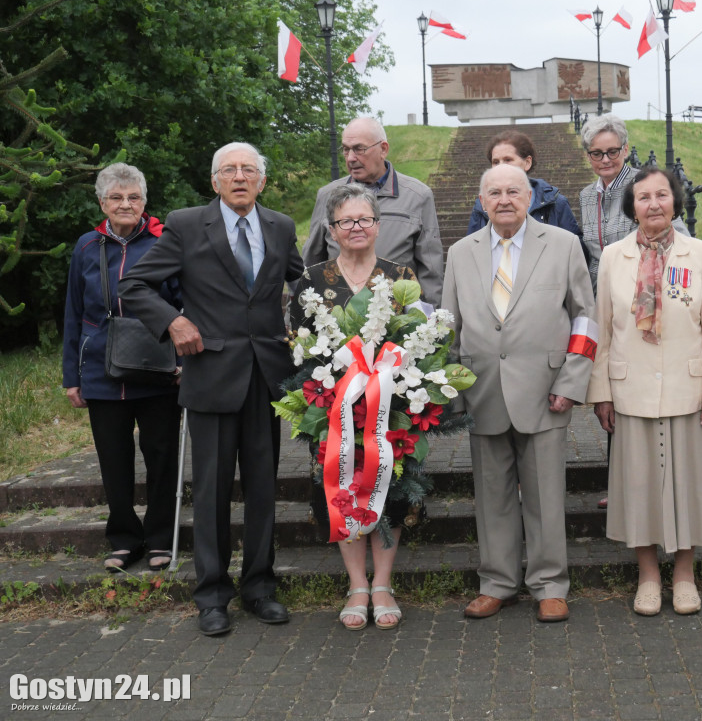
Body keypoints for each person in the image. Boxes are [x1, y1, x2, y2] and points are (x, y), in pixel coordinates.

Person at [119, 142, 304, 636]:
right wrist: (173, 322)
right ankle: (212, 595)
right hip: (209, 375)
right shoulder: (184, 224)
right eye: (229, 170)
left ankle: (260, 587)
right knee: (211, 491)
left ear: (262, 180)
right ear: (214, 181)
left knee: (263, 489)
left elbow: (307, 287)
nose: (239, 177)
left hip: (267, 376)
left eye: (248, 170)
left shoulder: (282, 227)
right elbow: (133, 285)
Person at [442, 163, 596, 623]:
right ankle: (497, 583)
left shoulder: (564, 245)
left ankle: (550, 585)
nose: (505, 199)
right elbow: (447, 325)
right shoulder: (460, 252)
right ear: (482, 201)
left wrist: (571, 382)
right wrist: (453, 390)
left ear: (530, 197)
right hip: (482, 388)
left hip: (547, 389)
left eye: (514, 191)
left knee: (547, 495)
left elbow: (585, 319)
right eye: (495, 192)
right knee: (492, 495)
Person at [586, 166, 702, 616]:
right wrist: (601, 392)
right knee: (639, 484)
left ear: (675, 201)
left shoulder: (699, 253)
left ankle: (684, 575)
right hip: (631, 389)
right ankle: (648, 576)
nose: (653, 204)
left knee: (690, 483)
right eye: (643, 197)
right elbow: (602, 328)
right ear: (631, 207)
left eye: (662, 195)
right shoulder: (613, 256)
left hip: (689, 386)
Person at [291, 183, 416, 630]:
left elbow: (419, 345)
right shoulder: (312, 280)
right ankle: (356, 584)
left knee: (391, 490)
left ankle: (382, 582)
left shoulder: (400, 276)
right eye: (347, 221)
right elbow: (299, 348)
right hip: (333, 412)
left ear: (378, 226)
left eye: (365, 219)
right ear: (331, 229)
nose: (357, 227)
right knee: (341, 487)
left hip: (391, 410)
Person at [62, 163, 181, 574]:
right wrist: (70, 377)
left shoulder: (166, 242)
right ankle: (124, 538)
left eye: (133, 197)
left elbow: (185, 304)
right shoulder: (85, 247)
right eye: (117, 197)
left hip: (158, 367)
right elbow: (74, 313)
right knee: (113, 459)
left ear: (145, 202)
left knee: (162, 456)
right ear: (102, 203)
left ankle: (162, 536)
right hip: (101, 370)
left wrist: (184, 360)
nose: (125, 204)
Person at [302, 117, 443, 305]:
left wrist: (432, 320)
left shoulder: (418, 196)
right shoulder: (328, 195)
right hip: (337, 318)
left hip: (396, 320)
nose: (351, 158)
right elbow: (310, 264)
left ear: (383, 149)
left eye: (359, 149)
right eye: (346, 149)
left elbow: (431, 270)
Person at [578, 114, 687, 293]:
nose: (605, 160)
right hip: (602, 296)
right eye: (597, 153)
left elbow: (681, 238)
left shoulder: (644, 184)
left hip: (644, 291)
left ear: (625, 150)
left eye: (612, 152)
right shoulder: (586, 195)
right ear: (588, 156)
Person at [466, 130, 586, 258]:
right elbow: (471, 252)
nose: (501, 166)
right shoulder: (481, 206)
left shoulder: (555, 202)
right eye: (496, 162)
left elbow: (576, 252)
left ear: (527, 162)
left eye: (508, 160)